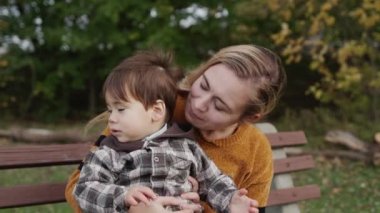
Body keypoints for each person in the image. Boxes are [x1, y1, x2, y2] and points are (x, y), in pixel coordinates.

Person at [65, 44, 287, 213]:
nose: (198, 104)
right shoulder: (152, 108)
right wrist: (132, 206)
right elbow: (78, 187)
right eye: (204, 85)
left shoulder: (255, 149)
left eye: (219, 105)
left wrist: (228, 204)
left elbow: (219, 187)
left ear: (248, 117)